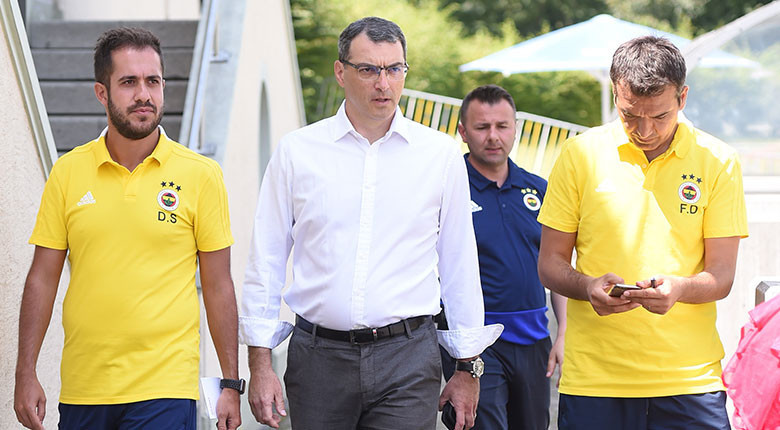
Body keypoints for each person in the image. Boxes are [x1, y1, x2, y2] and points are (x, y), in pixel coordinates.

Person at [239, 16, 501, 430]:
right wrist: (260, 363)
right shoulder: (297, 152)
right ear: (340, 72)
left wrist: (468, 366)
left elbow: (459, 265)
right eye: (368, 69)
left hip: (408, 360)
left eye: (394, 69)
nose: (383, 83)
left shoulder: (439, 155)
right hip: (318, 360)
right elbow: (266, 260)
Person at [13, 27, 241, 430]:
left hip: (165, 387)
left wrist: (230, 383)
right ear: (102, 93)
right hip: (85, 388)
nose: (144, 95)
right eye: (129, 82)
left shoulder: (201, 175)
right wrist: (25, 372)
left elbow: (219, 284)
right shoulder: (68, 172)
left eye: (153, 81)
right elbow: (42, 279)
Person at [537, 36, 748, 430]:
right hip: (595, 381)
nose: (644, 130)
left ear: (683, 97)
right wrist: (587, 287)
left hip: (690, 379)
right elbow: (549, 263)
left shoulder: (719, 161)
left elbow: (722, 276)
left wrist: (680, 289)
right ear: (616, 94)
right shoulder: (579, 154)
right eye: (629, 115)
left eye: (660, 116)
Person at [439, 84, 566, 429]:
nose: (493, 136)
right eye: (482, 127)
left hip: (534, 337)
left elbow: (558, 265)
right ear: (463, 132)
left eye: (502, 126)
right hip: (476, 341)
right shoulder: (447, 188)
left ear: (515, 128)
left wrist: (563, 333)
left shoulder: (538, 188)